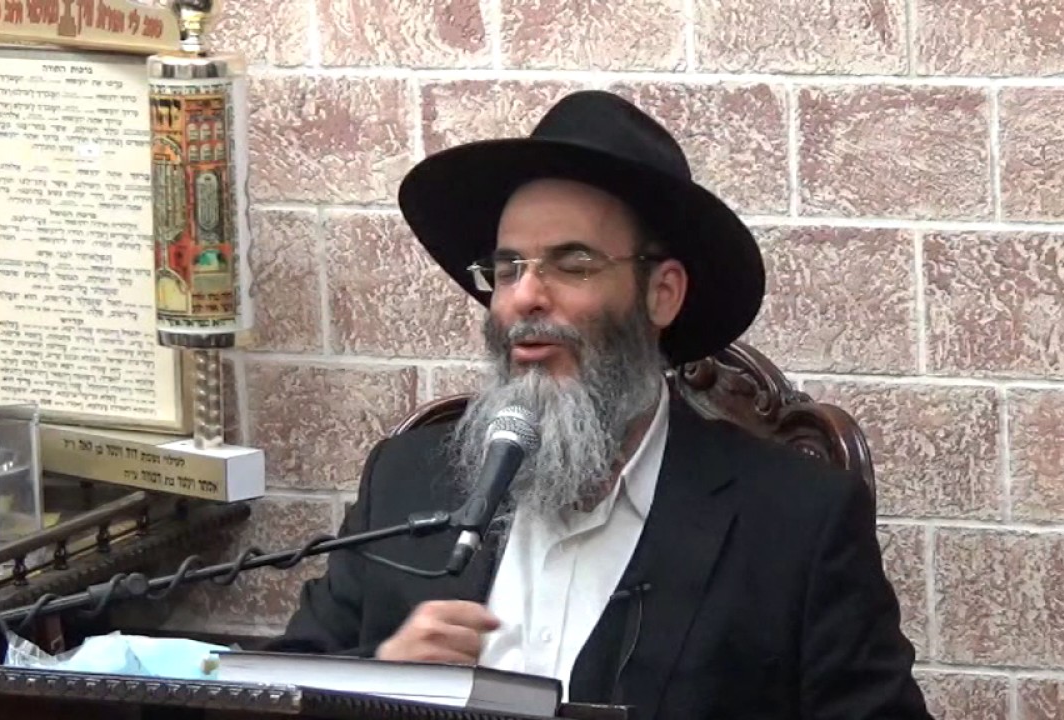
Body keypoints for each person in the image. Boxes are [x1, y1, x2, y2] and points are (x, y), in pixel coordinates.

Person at [263, 90, 933, 720]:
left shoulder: (796, 521)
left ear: (661, 294)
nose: (525, 297)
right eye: (507, 268)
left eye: (573, 264)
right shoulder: (405, 481)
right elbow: (282, 686)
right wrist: (380, 679)